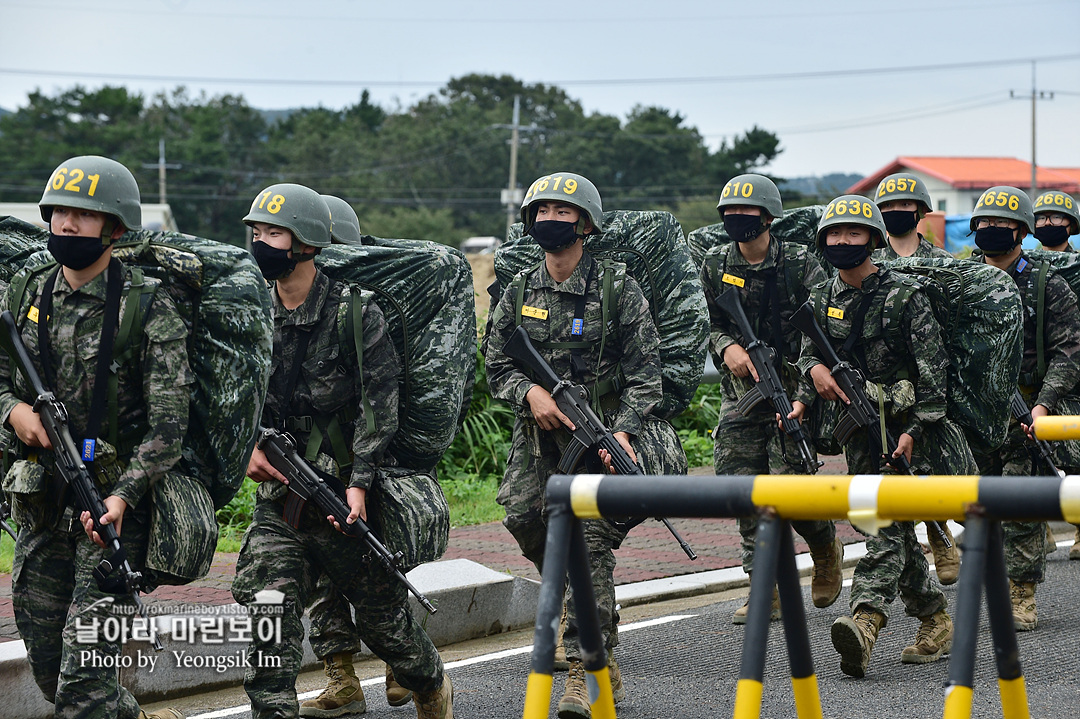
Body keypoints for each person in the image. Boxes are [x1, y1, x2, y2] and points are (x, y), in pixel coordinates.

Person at [230, 183, 453, 719]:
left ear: (306, 242)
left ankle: (429, 683)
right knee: (268, 605)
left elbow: (381, 404)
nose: (261, 242)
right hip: (282, 495)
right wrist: (249, 447)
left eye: (273, 232)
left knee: (384, 625)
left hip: (347, 493)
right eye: (256, 232)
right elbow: (232, 395)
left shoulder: (355, 313)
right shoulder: (250, 310)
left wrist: (360, 481)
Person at [1, 156, 192, 719]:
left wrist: (123, 495)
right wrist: (12, 409)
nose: (67, 225)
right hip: (42, 503)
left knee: (83, 686)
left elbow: (169, 424)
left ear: (114, 227)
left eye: (83, 216)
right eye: (59, 212)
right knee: (45, 659)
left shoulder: (148, 305)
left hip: (111, 512)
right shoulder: (26, 292)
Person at [485, 171, 670, 719]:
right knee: (525, 521)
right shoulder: (519, 291)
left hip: (601, 438)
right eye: (541, 213)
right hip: (538, 441)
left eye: (562, 214)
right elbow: (496, 362)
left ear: (585, 225)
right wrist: (530, 393)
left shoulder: (617, 290)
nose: (550, 222)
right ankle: (586, 607)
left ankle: (583, 668)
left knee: (587, 543)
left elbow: (647, 376)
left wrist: (623, 429)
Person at [795, 195, 973, 678]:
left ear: (872, 239)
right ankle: (935, 620)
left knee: (884, 526)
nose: (842, 242)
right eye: (834, 234)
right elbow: (806, 351)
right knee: (888, 526)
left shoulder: (904, 296)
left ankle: (866, 620)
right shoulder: (822, 298)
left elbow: (935, 380)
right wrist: (809, 378)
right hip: (858, 434)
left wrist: (914, 429)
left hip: (908, 436)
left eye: (853, 233)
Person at [700, 173, 842, 624]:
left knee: (793, 489)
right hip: (740, 393)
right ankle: (766, 585)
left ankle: (823, 546)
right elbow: (706, 320)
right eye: (730, 214)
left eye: (746, 213)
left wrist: (801, 395)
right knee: (743, 489)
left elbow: (820, 334)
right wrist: (728, 348)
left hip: (793, 389)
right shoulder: (715, 262)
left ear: (767, 217)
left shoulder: (801, 264)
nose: (737, 220)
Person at [292, 193, 413, 716]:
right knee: (318, 574)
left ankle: (401, 658)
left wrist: (364, 471)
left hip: (365, 459)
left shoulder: (358, 307)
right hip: (301, 465)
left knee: (374, 569)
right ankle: (341, 676)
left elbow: (382, 393)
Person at [967, 186, 1080, 630]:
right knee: (976, 499)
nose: (990, 230)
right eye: (984, 224)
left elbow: (1070, 348)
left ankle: (1022, 592)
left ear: (1022, 231)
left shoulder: (1046, 283)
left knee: (1017, 497)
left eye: (1002, 224)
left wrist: (1046, 404)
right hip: (974, 409)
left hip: (1027, 406)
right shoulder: (961, 281)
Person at [870, 172, 959, 584]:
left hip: (929, 376)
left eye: (903, 207)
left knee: (928, 459)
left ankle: (939, 532)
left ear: (921, 212)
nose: (894, 213)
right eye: (886, 208)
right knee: (894, 465)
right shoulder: (871, 261)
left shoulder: (942, 265)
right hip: (883, 384)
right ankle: (912, 553)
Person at [870, 172, 952, 262]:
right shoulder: (870, 261)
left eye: (905, 204)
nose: (896, 210)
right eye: (888, 205)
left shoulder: (942, 260)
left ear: (922, 210)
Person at [1032, 189, 1080, 254]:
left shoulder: (1076, 262)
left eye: (1056, 217)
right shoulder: (1025, 262)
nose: (1047, 222)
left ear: (1072, 225)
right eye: (1041, 218)